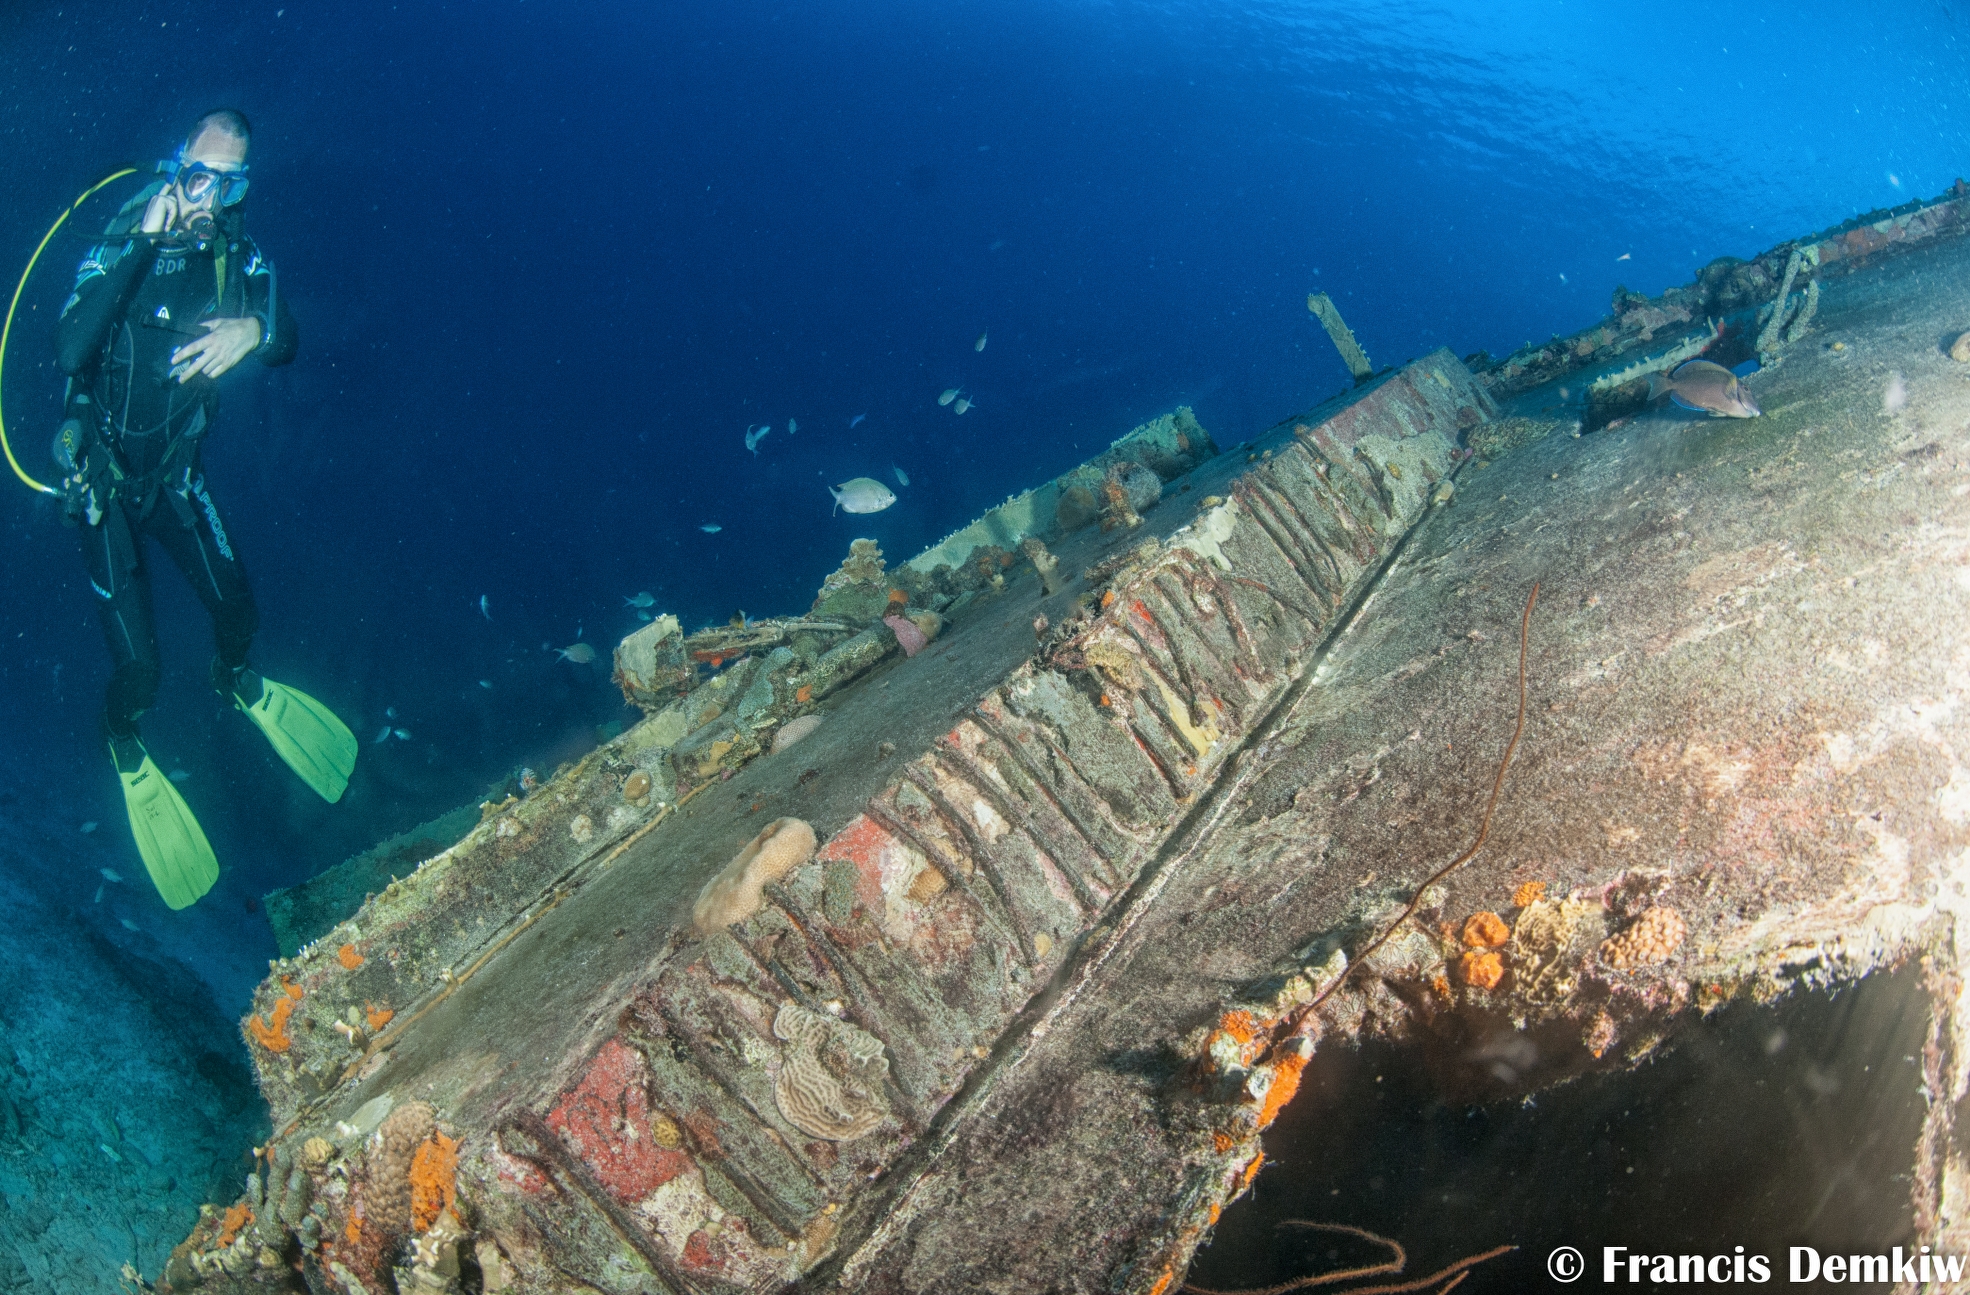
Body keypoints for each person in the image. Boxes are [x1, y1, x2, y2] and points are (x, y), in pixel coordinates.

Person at [51, 108, 356, 910]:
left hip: (176, 477)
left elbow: (287, 338)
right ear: (174, 165)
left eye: (228, 184)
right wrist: (144, 243)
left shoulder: (235, 255)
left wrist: (253, 327)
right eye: (197, 177)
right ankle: (122, 737)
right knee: (140, 670)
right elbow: (70, 349)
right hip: (105, 483)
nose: (207, 199)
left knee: (239, 612)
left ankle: (234, 678)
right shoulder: (122, 237)